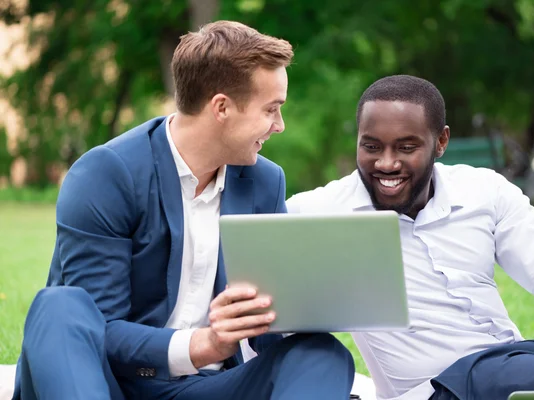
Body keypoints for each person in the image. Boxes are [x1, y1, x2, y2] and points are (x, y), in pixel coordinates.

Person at [13, 21, 355, 400]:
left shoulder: (264, 181)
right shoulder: (106, 174)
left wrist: (308, 308)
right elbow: (98, 329)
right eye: (271, 110)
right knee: (59, 306)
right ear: (221, 107)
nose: (280, 125)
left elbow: (265, 328)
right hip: (109, 386)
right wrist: (204, 344)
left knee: (323, 355)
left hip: (208, 388)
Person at [286, 75, 534, 400]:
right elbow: (255, 303)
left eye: (407, 148)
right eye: (371, 147)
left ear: (441, 141)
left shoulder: (485, 191)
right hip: (442, 388)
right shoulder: (316, 212)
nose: (387, 163)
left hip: (514, 364)